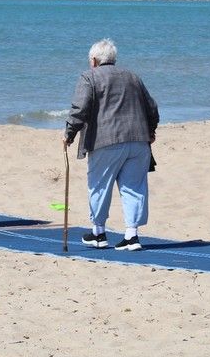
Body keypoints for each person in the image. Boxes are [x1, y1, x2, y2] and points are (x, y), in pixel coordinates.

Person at [63, 38, 159, 251]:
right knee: (134, 188)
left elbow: (80, 108)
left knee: (99, 185)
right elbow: (151, 106)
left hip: (106, 141)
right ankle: (132, 236)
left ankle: (98, 233)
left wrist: (69, 133)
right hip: (138, 140)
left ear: (94, 60)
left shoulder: (89, 77)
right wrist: (151, 131)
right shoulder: (133, 77)